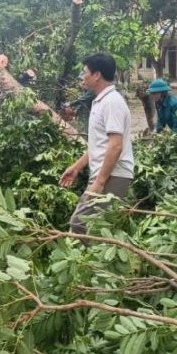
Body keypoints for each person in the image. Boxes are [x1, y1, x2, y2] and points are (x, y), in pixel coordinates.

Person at [59, 53, 134, 234]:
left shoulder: (112, 102)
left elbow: (116, 146)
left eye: (85, 72)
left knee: (80, 225)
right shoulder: (100, 101)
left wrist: (100, 182)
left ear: (97, 75)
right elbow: (100, 144)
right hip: (105, 173)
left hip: (112, 174)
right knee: (96, 229)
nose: (82, 77)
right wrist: (77, 167)